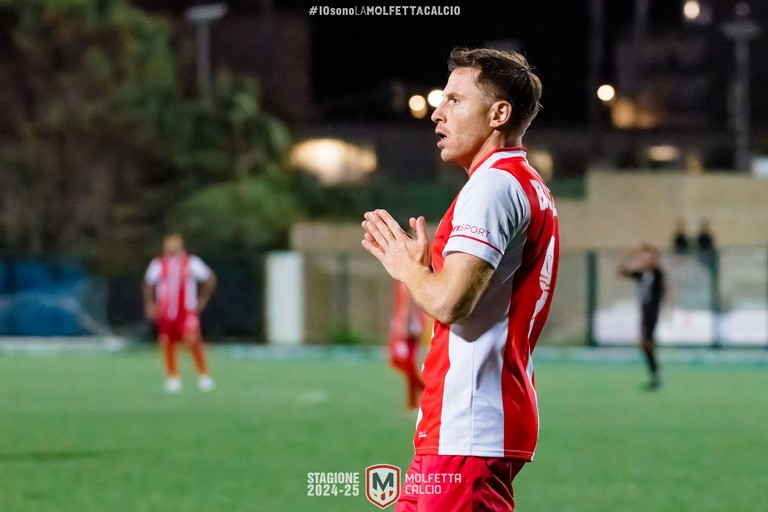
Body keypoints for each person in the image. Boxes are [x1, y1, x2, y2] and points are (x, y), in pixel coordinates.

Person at [362, 47, 559, 512]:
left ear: (499, 114)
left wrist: (406, 267)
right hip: (461, 429)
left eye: (454, 100)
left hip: (467, 430)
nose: (437, 112)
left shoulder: (492, 187)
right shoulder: (522, 182)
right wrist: (421, 269)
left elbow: (452, 303)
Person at [143, 233, 217, 393]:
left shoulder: (191, 262)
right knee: (167, 343)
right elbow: (148, 283)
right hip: (166, 311)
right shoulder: (158, 264)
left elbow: (209, 278)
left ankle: (203, 375)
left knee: (193, 340)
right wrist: (150, 304)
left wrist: (202, 300)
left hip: (186, 310)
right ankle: (172, 377)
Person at [617, 244, 665, 389]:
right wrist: (628, 256)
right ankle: (654, 374)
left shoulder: (657, 273)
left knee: (647, 343)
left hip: (652, 312)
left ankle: (655, 374)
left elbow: (664, 291)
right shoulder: (642, 274)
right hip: (644, 312)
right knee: (645, 345)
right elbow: (621, 272)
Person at [388, 280, 426, 409]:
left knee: (406, 363)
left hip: (409, 322)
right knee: (404, 363)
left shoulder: (405, 274)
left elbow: (408, 299)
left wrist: (404, 323)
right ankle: (415, 398)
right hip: (407, 320)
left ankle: (423, 391)